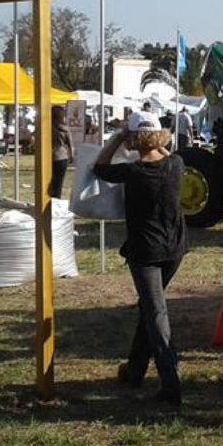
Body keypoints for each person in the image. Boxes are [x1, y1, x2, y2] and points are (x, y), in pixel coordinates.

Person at [93, 111, 187, 405]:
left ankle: (170, 382)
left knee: (156, 312)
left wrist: (116, 138)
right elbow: (163, 153)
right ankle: (135, 369)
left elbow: (99, 167)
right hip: (175, 248)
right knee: (149, 307)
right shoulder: (176, 164)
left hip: (146, 251)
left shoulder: (132, 172)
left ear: (135, 138)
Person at [49, 106, 72, 199]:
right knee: (58, 183)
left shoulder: (47, 127)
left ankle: (49, 202)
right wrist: (71, 156)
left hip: (48, 156)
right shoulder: (64, 128)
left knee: (49, 182)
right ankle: (56, 201)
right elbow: (70, 144)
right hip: (62, 156)